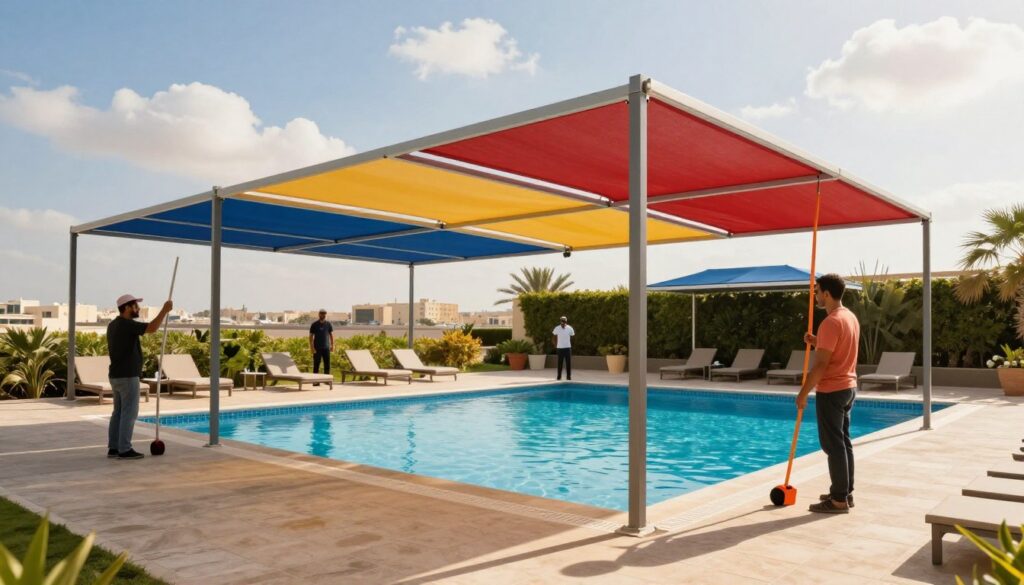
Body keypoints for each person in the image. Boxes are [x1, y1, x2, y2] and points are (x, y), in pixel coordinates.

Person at [796, 273, 860, 514]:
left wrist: (803, 393)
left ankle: (839, 500)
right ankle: (844, 492)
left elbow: (821, 365)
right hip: (848, 387)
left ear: (826, 293)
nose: (815, 295)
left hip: (832, 390)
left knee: (833, 445)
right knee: (843, 442)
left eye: (817, 290)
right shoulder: (849, 317)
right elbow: (837, 348)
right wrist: (817, 340)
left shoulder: (831, 322)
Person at [106, 294, 172, 460]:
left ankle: (114, 447)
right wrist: (164, 311)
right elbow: (151, 328)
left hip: (116, 375)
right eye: (135, 305)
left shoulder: (113, 325)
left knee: (118, 412)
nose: (138, 308)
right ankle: (124, 449)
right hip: (128, 376)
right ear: (127, 307)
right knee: (129, 413)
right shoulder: (126, 324)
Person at [309, 309, 334, 385]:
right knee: (316, 364)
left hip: (326, 348)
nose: (323, 315)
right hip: (317, 348)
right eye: (321, 314)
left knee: (327, 364)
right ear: (319, 314)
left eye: (324, 314)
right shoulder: (314, 324)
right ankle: (315, 381)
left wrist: (332, 345)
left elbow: (331, 335)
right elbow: (311, 336)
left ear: (326, 315)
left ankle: (326, 381)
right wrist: (312, 347)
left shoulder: (328, 324)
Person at [552, 316, 575, 381]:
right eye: (562, 321)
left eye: (564, 321)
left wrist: (570, 344)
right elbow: (554, 337)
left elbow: (572, 337)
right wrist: (555, 345)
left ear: (566, 322)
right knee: (560, 363)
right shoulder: (557, 328)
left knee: (568, 363)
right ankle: (559, 376)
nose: (563, 323)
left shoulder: (570, 328)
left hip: (568, 348)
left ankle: (568, 376)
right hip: (560, 349)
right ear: (560, 321)